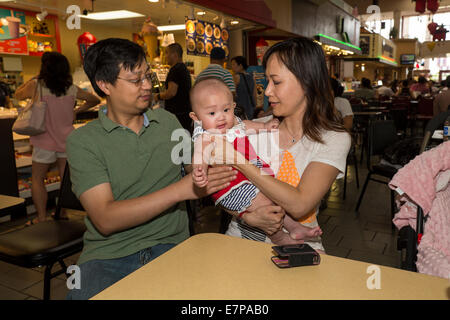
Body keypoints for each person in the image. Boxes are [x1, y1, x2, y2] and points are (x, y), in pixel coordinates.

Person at [65, 38, 234, 300]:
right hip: (109, 254)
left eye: (148, 76)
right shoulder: (83, 141)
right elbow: (106, 219)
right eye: (136, 80)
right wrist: (182, 190)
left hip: (171, 245)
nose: (148, 86)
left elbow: (196, 167)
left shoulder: (166, 122)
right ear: (104, 84)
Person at [210, 37, 351, 252]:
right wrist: (247, 216)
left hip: (298, 248)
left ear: (307, 82)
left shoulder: (333, 138)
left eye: (276, 82)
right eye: (267, 81)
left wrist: (239, 161)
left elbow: (300, 204)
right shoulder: (253, 128)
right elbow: (219, 184)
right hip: (239, 244)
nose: (267, 91)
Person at [189, 77, 322, 245]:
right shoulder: (207, 137)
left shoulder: (235, 125)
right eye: (212, 113)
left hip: (249, 177)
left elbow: (247, 125)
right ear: (196, 117)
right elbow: (199, 155)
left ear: (233, 107)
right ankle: (280, 237)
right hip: (233, 187)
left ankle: (294, 227)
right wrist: (198, 169)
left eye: (226, 110)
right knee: (268, 206)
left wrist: (264, 127)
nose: (221, 117)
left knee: (275, 198)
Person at [14, 52, 100, 225]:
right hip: (66, 140)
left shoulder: (37, 85)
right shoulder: (71, 88)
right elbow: (94, 99)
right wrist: (75, 111)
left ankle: (41, 217)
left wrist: (32, 78)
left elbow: (17, 94)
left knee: (38, 179)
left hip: (43, 140)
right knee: (65, 178)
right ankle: (63, 212)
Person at [154, 43, 192, 132]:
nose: (165, 56)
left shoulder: (175, 70)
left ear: (174, 54)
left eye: (167, 53)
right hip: (185, 113)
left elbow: (171, 92)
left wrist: (158, 96)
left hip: (177, 114)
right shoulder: (183, 68)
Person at [231, 56, 257, 120]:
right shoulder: (252, 77)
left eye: (234, 64)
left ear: (241, 65)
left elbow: (233, 94)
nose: (232, 67)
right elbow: (254, 94)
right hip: (250, 108)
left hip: (240, 109)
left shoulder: (236, 77)